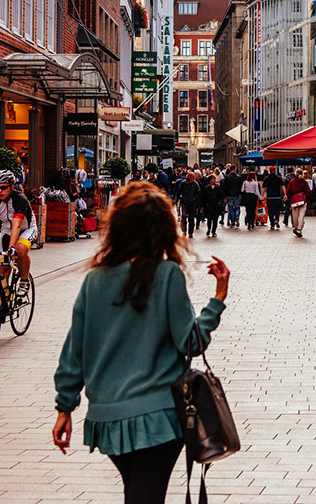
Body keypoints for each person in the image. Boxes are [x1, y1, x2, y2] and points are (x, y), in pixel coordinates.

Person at [52, 182, 229, 504]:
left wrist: (65, 408)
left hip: (106, 417)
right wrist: (217, 299)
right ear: (164, 229)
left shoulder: (94, 280)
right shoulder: (166, 275)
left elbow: (74, 351)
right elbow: (191, 342)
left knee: (136, 492)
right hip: (158, 416)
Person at [286, 168, 312, 238]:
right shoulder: (304, 182)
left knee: (295, 215)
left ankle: (296, 227)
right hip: (303, 200)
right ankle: (299, 229)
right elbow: (309, 192)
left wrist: (290, 197)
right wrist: (306, 198)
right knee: (301, 215)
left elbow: (288, 192)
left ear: (295, 174)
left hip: (294, 201)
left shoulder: (292, 182)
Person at [179, 171, 201, 238]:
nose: (193, 178)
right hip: (184, 202)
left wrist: (195, 198)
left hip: (192, 203)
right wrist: (177, 199)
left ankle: (190, 232)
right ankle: (184, 231)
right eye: (191, 176)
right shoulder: (183, 184)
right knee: (184, 217)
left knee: (191, 218)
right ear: (188, 177)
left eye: (193, 176)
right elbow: (178, 191)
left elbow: (199, 193)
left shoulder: (196, 184)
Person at [262, 166, 285, 231]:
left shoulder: (266, 178)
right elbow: (283, 187)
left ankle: (272, 224)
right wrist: (285, 194)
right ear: (275, 171)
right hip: (277, 197)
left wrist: (262, 195)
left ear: (269, 171)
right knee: (277, 210)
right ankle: (276, 219)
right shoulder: (278, 178)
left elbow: (263, 188)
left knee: (270, 211)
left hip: (270, 197)